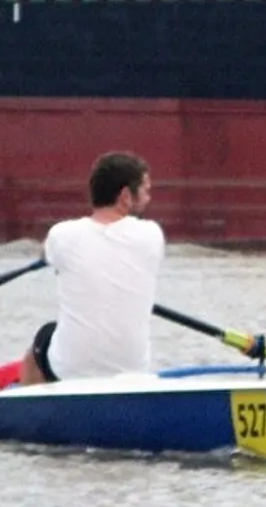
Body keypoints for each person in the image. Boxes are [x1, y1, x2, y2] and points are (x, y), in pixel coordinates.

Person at [20, 151, 164, 384]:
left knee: (42, 340)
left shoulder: (62, 234)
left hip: (69, 371)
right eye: (145, 191)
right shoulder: (152, 235)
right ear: (126, 196)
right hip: (134, 373)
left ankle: (30, 412)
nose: (148, 198)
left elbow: (47, 256)